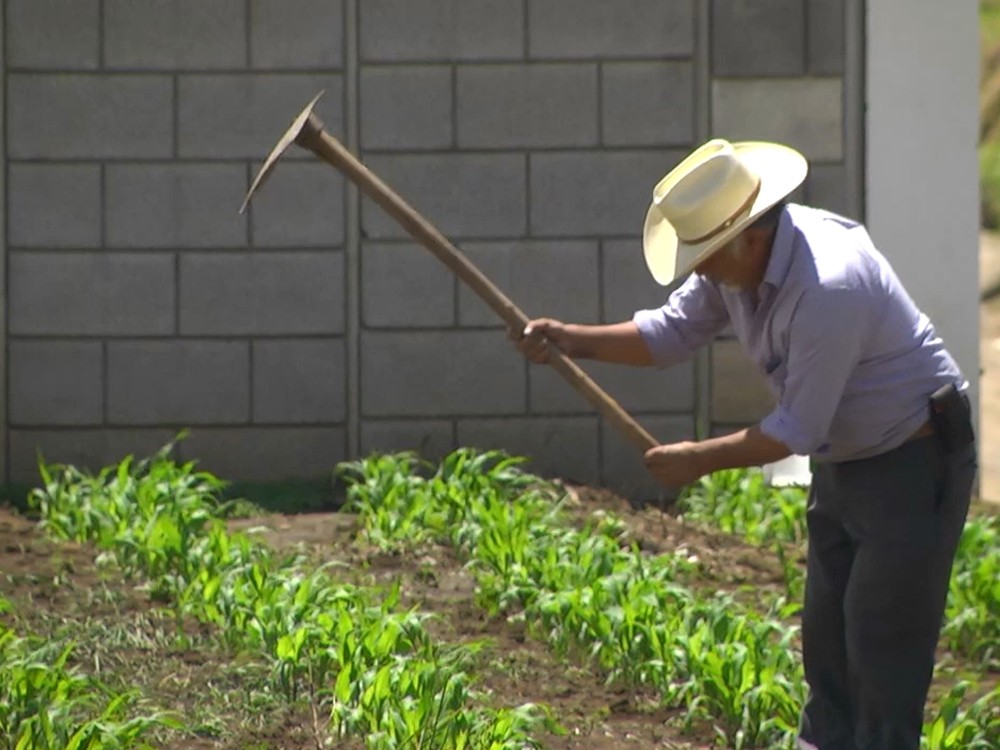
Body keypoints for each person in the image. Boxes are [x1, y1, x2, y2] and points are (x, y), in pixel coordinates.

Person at [511, 139, 977, 750]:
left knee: (882, 648)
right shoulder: (738, 262)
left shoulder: (829, 286)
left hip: (912, 462)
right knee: (828, 648)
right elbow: (670, 332)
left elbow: (795, 430)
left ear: (748, 237)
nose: (698, 269)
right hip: (847, 462)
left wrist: (697, 460)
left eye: (704, 256)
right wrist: (571, 339)